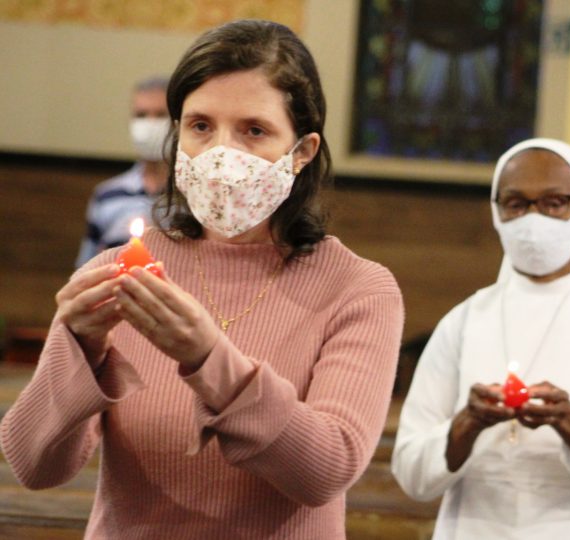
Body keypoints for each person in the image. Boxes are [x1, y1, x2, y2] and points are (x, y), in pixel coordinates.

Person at [0, 20, 403, 539]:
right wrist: (79, 347)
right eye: (200, 126)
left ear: (301, 152)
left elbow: (325, 471)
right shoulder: (120, 273)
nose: (220, 155)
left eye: (253, 131)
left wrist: (208, 359)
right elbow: (35, 467)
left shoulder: (357, 288)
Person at [391, 138, 570, 539]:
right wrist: (466, 425)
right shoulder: (464, 321)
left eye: (555, 203)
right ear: (497, 211)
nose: (533, 219)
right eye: (516, 204)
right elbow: (412, 475)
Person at [76, 76, 171, 267]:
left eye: (160, 115)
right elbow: (85, 267)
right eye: (141, 115)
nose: (149, 124)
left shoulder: (193, 197)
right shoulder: (107, 195)